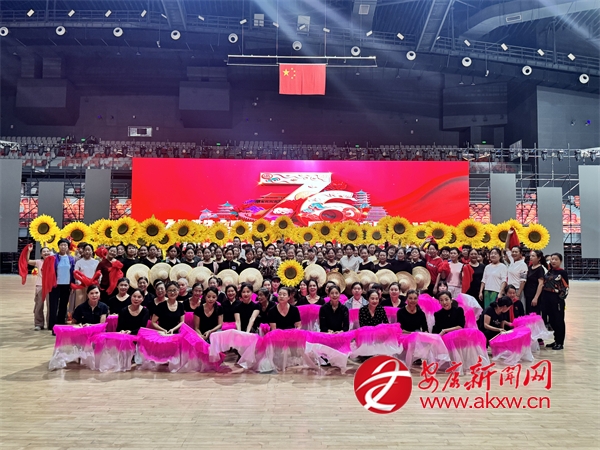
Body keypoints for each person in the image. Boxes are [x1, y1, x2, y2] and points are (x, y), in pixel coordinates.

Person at [542, 253, 569, 350]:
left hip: (556, 299)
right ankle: (556, 340)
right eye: (552, 259)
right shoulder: (549, 271)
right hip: (547, 297)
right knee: (551, 320)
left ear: (560, 261)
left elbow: (566, 287)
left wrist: (560, 299)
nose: (553, 261)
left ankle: (560, 342)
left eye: (556, 259)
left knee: (558, 320)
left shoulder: (562, 272)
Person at [48, 238, 76, 333]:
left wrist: (72, 285)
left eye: (65, 245)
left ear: (68, 247)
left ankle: (60, 325)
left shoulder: (71, 259)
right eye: (62, 245)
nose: (63, 247)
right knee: (53, 306)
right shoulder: (53, 258)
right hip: (55, 285)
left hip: (66, 285)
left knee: (63, 306)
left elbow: (73, 272)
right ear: (58, 246)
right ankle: (52, 326)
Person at [26, 245, 51, 330]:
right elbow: (28, 261)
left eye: (47, 251)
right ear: (41, 254)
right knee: (39, 305)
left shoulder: (54, 261)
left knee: (50, 306)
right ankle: (39, 324)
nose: (46, 253)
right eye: (44, 251)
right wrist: (29, 251)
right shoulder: (39, 262)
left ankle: (50, 324)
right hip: (40, 285)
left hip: (50, 286)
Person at [502, 230, 527, 308]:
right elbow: (506, 248)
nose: (514, 253)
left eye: (516, 252)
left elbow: (523, 281)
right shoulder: (512, 261)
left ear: (520, 253)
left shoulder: (523, 265)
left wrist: (518, 294)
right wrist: (508, 235)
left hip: (516, 290)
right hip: (508, 289)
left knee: (517, 310)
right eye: (513, 252)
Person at [73, 243, 99, 309]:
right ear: (83, 251)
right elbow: (76, 273)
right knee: (80, 304)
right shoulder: (79, 262)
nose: (87, 252)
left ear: (92, 251)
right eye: (85, 250)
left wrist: (97, 283)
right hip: (81, 286)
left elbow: (99, 274)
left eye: (89, 250)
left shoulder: (96, 262)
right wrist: (80, 283)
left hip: (93, 286)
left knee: (92, 304)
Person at [524, 250, 546, 315]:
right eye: (530, 256)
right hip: (528, 294)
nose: (531, 257)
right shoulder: (530, 267)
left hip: (534, 295)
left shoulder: (540, 269)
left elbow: (541, 284)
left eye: (533, 256)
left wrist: (536, 298)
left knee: (534, 314)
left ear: (539, 258)